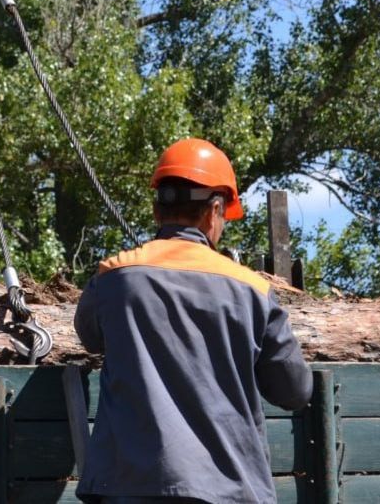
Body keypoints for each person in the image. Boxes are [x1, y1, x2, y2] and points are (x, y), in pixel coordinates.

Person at [74, 138, 314, 503]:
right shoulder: (251, 289)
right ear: (214, 211)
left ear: (157, 211)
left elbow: (90, 336)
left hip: (132, 490)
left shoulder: (113, 277)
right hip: (230, 492)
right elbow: (294, 391)